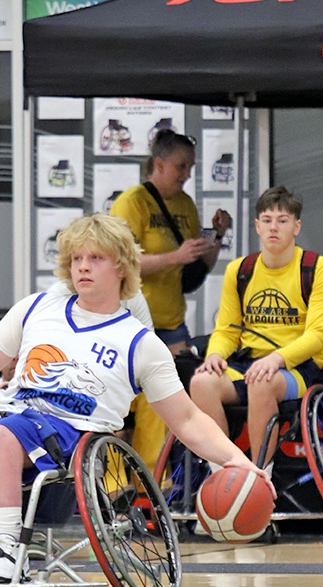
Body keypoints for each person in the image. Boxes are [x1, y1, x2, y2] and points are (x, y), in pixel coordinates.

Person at [0, 213, 271, 583]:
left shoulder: (141, 343)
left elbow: (187, 418)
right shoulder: (37, 308)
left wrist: (237, 461)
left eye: (95, 258)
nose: (83, 267)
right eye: (76, 258)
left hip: (73, 432)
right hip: (16, 413)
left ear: (121, 266)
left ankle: (10, 549)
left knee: (2, 435)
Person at [189, 186, 323, 468]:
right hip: (249, 363)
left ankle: (260, 475)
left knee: (262, 381)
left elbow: (319, 336)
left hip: (300, 368)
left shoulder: (318, 268)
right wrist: (215, 355)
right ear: (257, 226)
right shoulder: (240, 270)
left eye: (282, 221)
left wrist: (277, 359)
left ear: (296, 227)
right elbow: (227, 330)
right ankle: (226, 471)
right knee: (201, 383)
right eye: (267, 220)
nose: (274, 228)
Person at [110, 129, 231, 471]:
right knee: (127, 404)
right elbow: (119, 262)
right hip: (133, 321)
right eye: (181, 166)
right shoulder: (132, 202)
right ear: (159, 164)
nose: (187, 174)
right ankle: (116, 479)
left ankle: (159, 477)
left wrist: (216, 237)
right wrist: (172, 257)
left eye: (191, 167)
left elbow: (195, 270)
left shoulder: (185, 205)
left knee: (167, 401)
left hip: (172, 323)